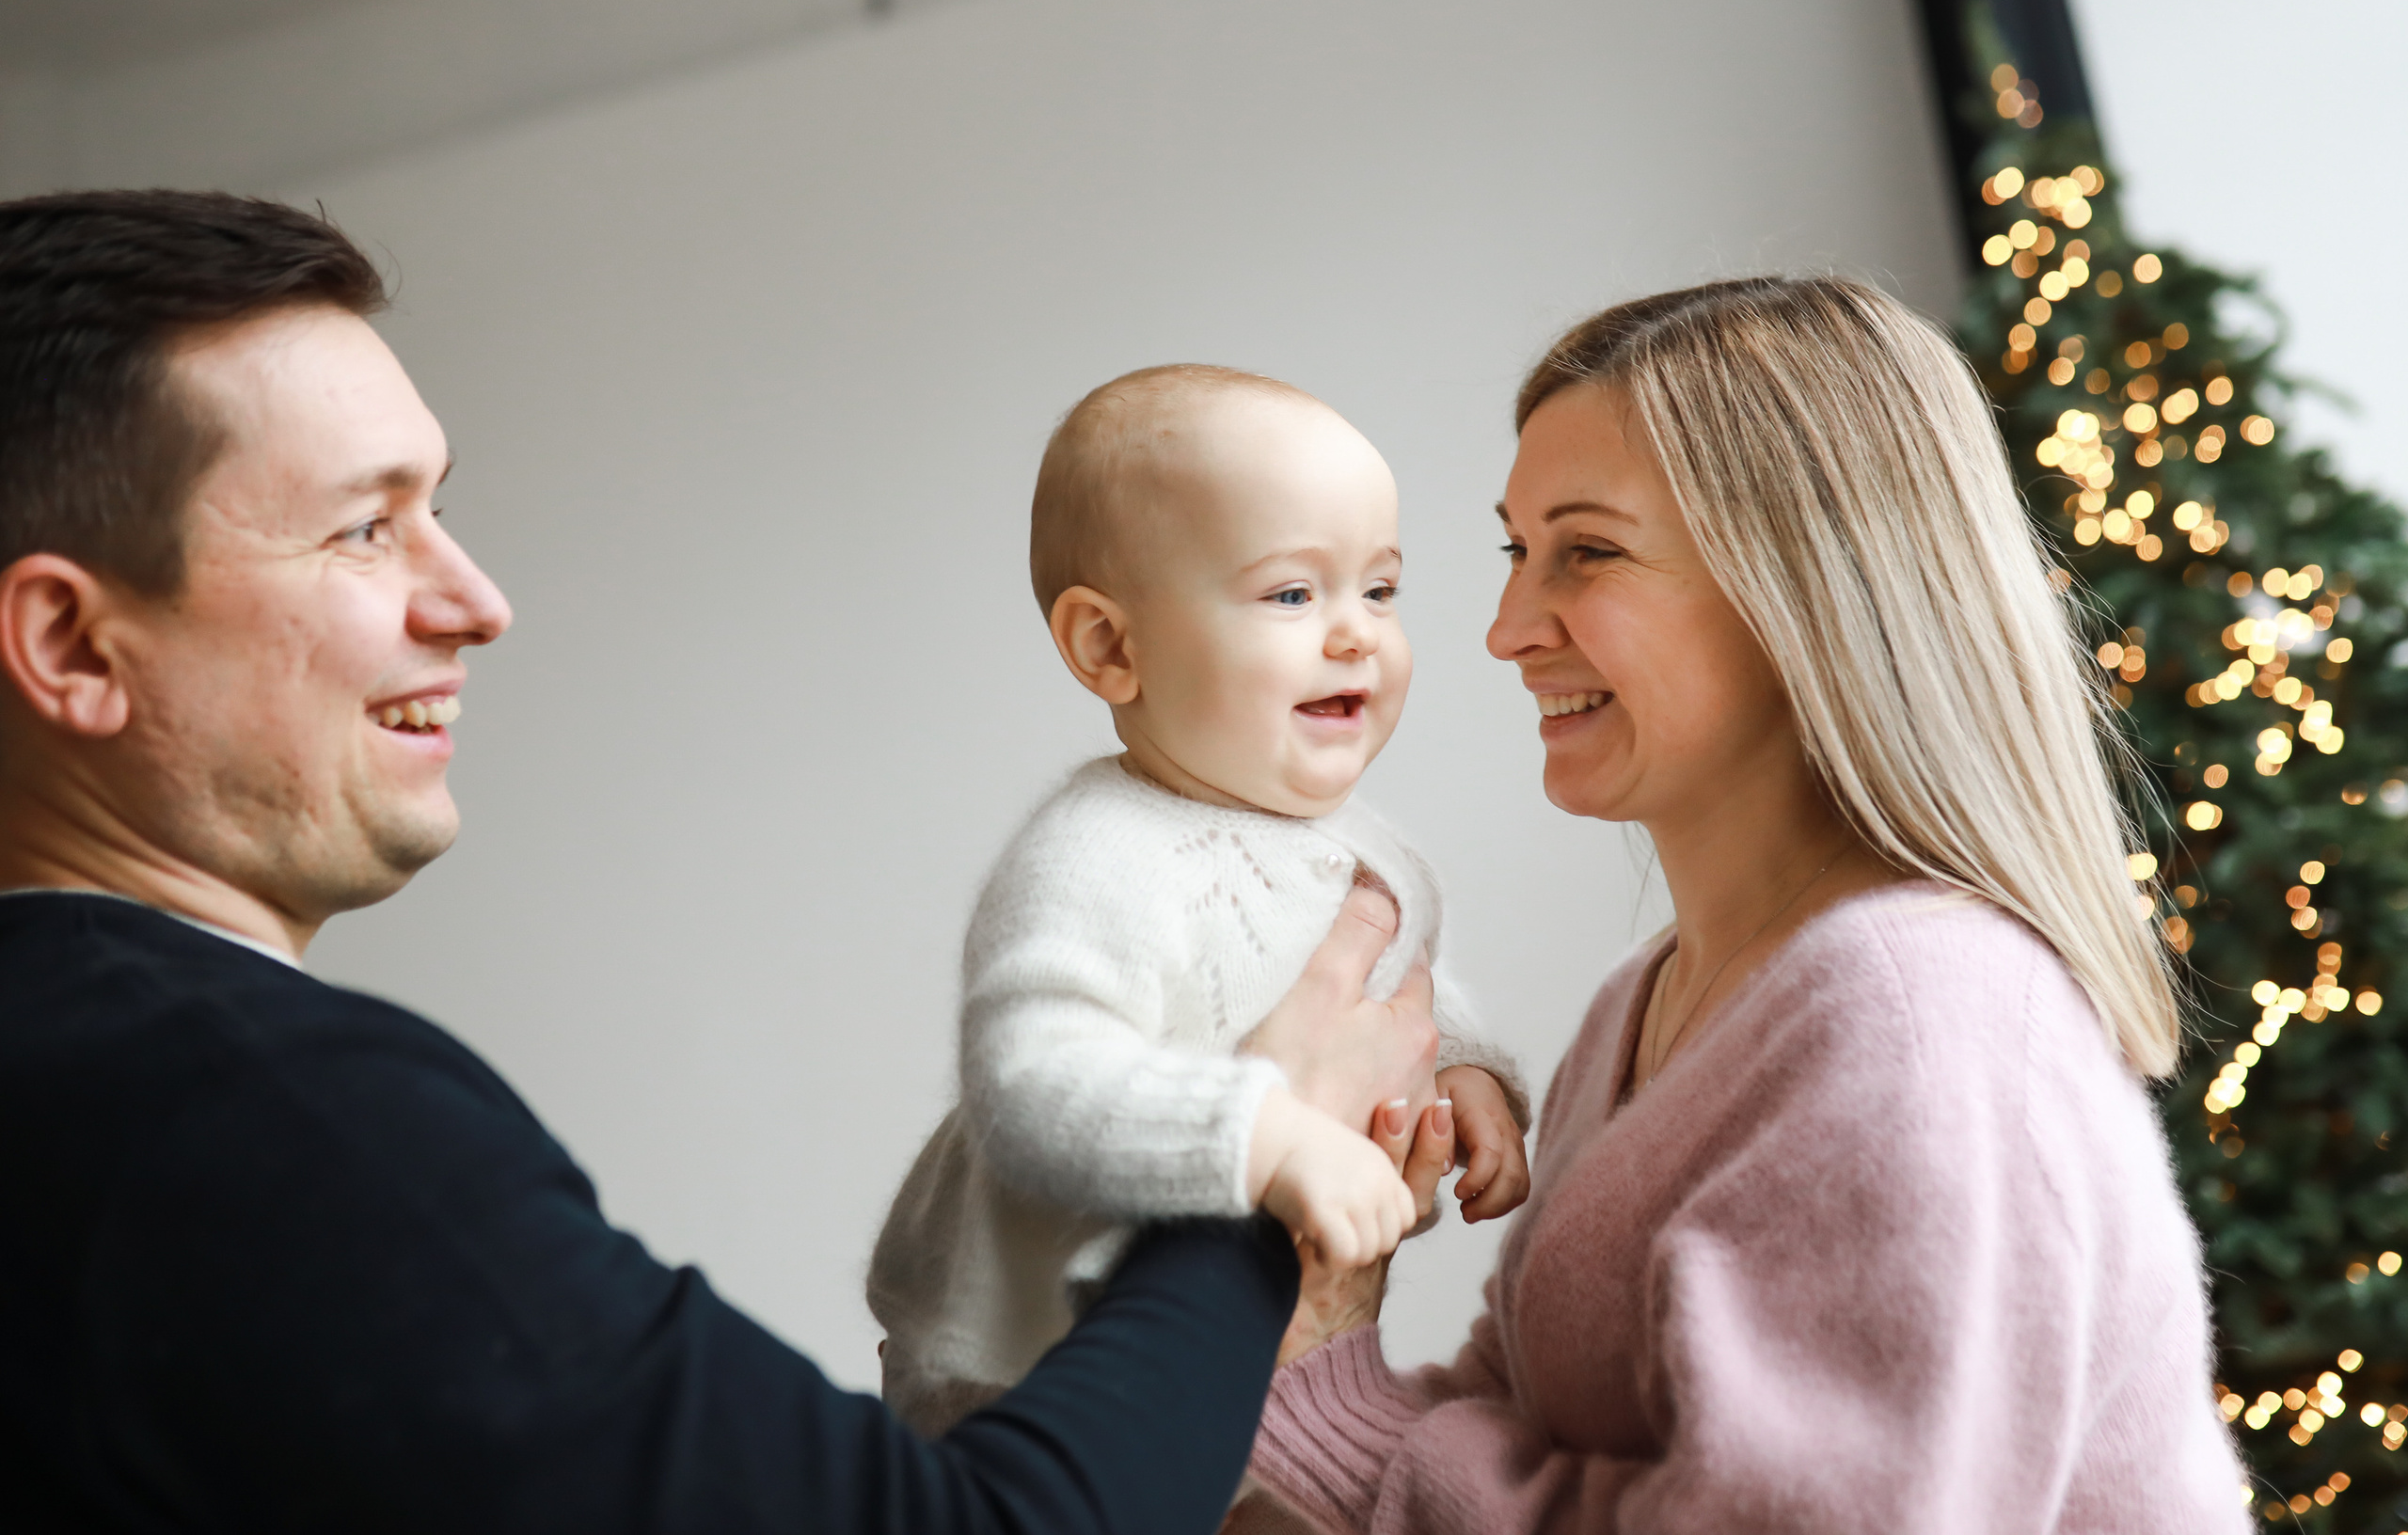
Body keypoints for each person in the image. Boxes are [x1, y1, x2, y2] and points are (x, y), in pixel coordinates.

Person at [0, 190, 1437, 1535]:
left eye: (441, 509)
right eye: (365, 527)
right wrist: (1261, 1164)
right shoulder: (265, 1115)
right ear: (71, 643)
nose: (478, 600)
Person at [1245, 277, 2250, 1532]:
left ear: (1807, 587)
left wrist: (1318, 1363)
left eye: (1588, 551)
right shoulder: (1652, 999)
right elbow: (1519, 1423)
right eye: (1518, 550)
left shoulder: (1916, 1021)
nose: (1507, 628)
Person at [867, 365, 1529, 1437]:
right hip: (1025, 1371)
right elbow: (1030, 1088)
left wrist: (1466, 1071)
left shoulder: (1367, 846)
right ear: (1111, 646)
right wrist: (1269, 1136)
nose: (1356, 633)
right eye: (1292, 595)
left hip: (1242, 1347)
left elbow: (1397, 982)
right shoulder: (1097, 857)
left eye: (1379, 590)